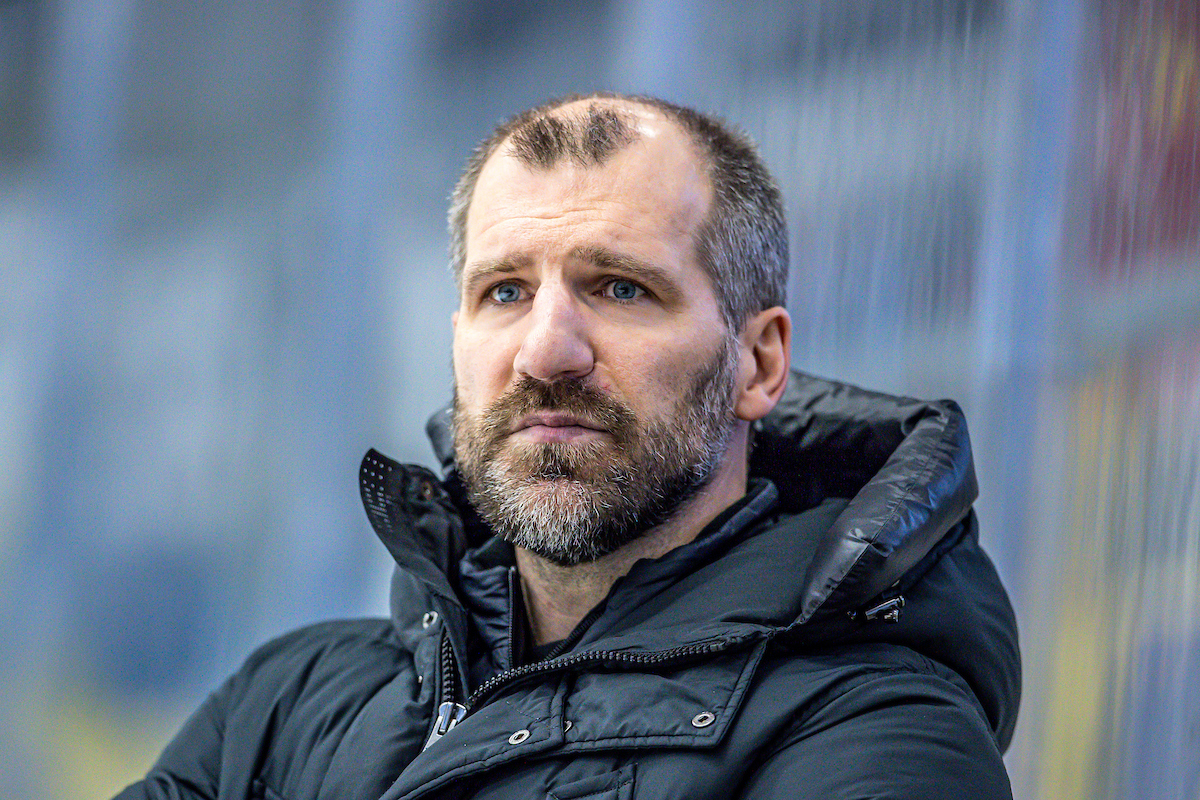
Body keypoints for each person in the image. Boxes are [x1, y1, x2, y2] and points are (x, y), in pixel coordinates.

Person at [117, 94, 1020, 800]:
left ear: (758, 361)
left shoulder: (875, 733)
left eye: (620, 288)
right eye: (505, 292)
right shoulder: (288, 703)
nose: (546, 351)